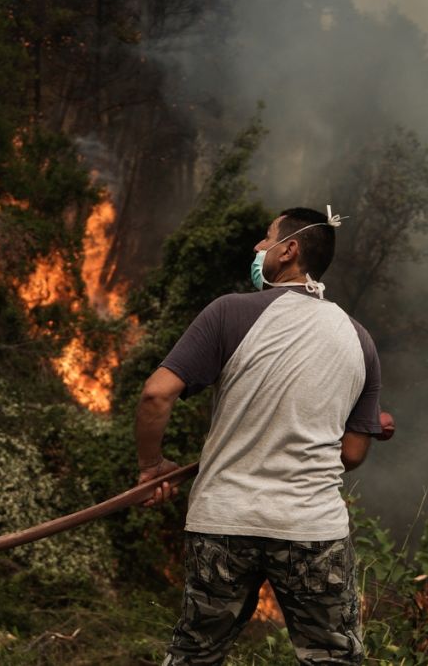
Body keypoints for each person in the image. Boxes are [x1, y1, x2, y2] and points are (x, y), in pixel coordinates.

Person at [134, 206, 386, 665]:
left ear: (289, 250)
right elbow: (351, 453)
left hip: (224, 523)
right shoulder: (359, 339)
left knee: (195, 656)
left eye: (265, 239)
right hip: (312, 529)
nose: (257, 248)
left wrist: (151, 466)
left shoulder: (229, 312)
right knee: (334, 659)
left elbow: (155, 395)